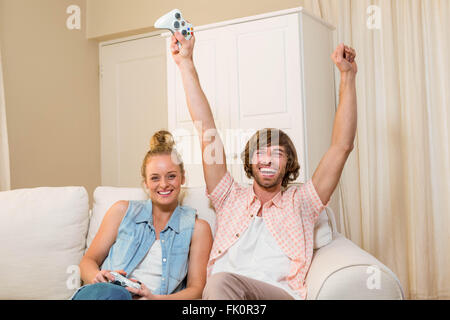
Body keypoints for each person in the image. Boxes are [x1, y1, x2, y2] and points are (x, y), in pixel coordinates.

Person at [170, 31, 357, 300]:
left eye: (277, 153)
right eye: (261, 152)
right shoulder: (228, 197)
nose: (267, 159)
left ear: (288, 163)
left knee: (221, 282)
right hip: (223, 296)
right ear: (250, 160)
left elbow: (342, 146)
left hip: (276, 295)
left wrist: (347, 77)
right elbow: (206, 128)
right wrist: (185, 62)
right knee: (215, 288)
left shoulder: (302, 202)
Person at [72, 130, 213, 300]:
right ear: (145, 183)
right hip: (106, 294)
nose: (163, 184)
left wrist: (155, 299)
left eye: (171, 176)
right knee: (115, 293)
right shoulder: (121, 211)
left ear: (182, 178)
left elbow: (197, 289)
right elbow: (87, 261)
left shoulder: (198, 228)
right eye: (155, 178)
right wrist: (97, 277)